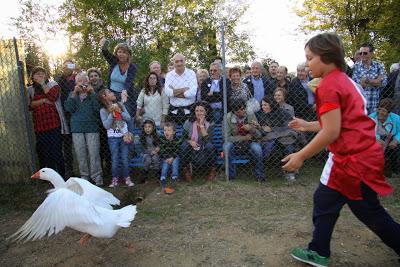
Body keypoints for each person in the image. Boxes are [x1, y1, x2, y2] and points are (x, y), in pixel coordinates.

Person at [281, 32, 400, 267]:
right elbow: (341, 123)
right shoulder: (345, 81)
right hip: (353, 158)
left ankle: (319, 251)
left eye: (310, 57)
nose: (307, 63)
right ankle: (319, 251)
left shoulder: (329, 86)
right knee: (324, 201)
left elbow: (332, 132)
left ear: (327, 57)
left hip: (354, 162)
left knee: (369, 211)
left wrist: (301, 156)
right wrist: (308, 125)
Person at [64, 72, 103, 186]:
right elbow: (69, 109)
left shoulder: (93, 94)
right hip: (77, 128)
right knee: (81, 153)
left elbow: (98, 109)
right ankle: (84, 176)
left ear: (88, 82)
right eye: (80, 81)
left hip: (92, 127)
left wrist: (92, 94)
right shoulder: (72, 94)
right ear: (76, 83)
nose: (83, 83)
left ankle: (97, 176)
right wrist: (74, 94)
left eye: (85, 81)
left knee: (94, 152)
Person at [27, 66, 65, 178]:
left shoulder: (53, 85)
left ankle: (62, 176)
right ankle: (50, 178)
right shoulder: (30, 89)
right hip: (40, 126)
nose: (40, 75)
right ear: (32, 77)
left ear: (46, 75)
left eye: (42, 73)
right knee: (46, 153)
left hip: (54, 124)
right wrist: (43, 100)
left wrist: (43, 85)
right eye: (37, 74)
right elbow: (29, 105)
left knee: (56, 151)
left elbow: (52, 97)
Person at [255, 97, 299, 181]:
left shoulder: (283, 113)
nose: (263, 107)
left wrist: (272, 129)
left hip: (284, 137)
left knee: (288, 147)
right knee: (270, 146)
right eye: (262, 105)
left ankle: (290, 173)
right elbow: (262, 131)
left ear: (271, 105)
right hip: (269, 139)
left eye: (265, 105)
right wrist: (260, 127)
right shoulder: (261, 114)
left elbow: (288, 127)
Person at [98, 89, 134, 188]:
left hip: (124, 136)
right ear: (104, 97)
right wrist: (111, 113)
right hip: (113, 138)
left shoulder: (120, 105)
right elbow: (106, 125)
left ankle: (127, 177)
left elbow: (128, 118)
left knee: (125, 158)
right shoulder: (103, 110)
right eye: (109, 92)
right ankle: (115, 179)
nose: (113, 93)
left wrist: (119, 112)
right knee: (114, 159)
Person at [224, 100, 264, 181]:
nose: (244, 110)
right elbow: (226, 137)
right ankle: (231, 177)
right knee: (227, 147)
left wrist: (252, 129)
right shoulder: (227, 117)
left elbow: (259, 135)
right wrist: (244, 138)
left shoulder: (250, 115)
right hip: (234, 143)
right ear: (235, 111)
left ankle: (260, 176)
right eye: (241, 109)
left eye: (244, 108)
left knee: (257, 149)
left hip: (250, 142)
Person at [100, 38, 137, 119]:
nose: (121, 54)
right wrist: (103, 46)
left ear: (128, 55)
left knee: (127, 116)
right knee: (115, 116)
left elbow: (129, 81)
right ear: (116, 54)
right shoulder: (113, 62)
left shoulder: (132, 67)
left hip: (125, 95)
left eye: (124, 52)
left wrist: (124, 90)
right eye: (119, 52)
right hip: (112, 94)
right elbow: (105, 53)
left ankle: (129, 131)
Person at [181, 101, 217, 183]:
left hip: (204, 151)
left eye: (201, 111)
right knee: (184, 145)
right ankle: (186, 171)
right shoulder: (188, 122)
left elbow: (209, 140)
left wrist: (201, 125)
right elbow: (182, 138)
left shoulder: (210, 123)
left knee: (210, 146)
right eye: (197, 111)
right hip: (191, 150)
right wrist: (190, 141)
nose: (199, 113)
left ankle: (212, 171)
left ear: (206, 112)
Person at [352, 43, 388, 114]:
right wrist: (376, 81)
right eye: (360, 53)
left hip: (374, 104)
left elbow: (384, 83)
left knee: (373, 124)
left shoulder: (378, 66)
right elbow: (357, 86)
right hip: (360, 104)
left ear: (371, 54)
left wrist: (366, 80)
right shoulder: (355, 67)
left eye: (365, 53)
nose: (362, 55)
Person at [54, 59, 76, 178]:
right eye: (65, 65)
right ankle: (69, 170)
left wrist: (77, 71)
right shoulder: (59, 79)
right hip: (63, 115)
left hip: (76, 114)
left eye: (70, 65)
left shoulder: (77, 78)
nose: (67, 67)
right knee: (67, 145)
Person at [369, 98, 400, 177]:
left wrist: (396, 140)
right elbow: (367, 130)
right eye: (379, 109)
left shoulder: (396, 118)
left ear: (389, 113)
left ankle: (394, 170)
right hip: (375, 139)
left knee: (395, 149)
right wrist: (376, 139)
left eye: (384, 111)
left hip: (390, 138)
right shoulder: (372, 117)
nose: (380, 112)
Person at [164, 53, 197, 125]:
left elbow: (192, 93)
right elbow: (168, 92)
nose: (179, 63)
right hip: (173, 110)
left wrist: (174, 92)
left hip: (190, 109)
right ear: (173, 63)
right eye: (176, 61)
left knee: (190, 134)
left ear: (185, 61)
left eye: (181, 61)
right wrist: (184, 89)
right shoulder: (169, 75)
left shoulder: (191, 73)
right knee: (173, 134)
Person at [159, 122, 182, 194]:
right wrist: (166, 158)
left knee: (175, 162)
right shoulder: (162, 139)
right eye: (165, 130)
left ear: (174, 132)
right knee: (165, 165)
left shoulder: (176, 140)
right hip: (166, 157)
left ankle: (174, 177)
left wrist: (172, 158)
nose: (166, 132)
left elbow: (178, 150)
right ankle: (163, 178)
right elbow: (161, 151)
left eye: (169, 130)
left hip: (174, 156)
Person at [139, 119, 160, 183]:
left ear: (153, 127)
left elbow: (160, 145)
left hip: (155, 153)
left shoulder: (157, 135)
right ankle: (144, 177)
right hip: (145, 153)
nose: (147, 129)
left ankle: (158, 176)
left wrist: (158, 148)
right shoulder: (142, 136)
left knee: (155, 158)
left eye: (149, 127)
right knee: (148, 160)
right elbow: (143, 149)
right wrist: (150, 152)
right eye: (145, 127)